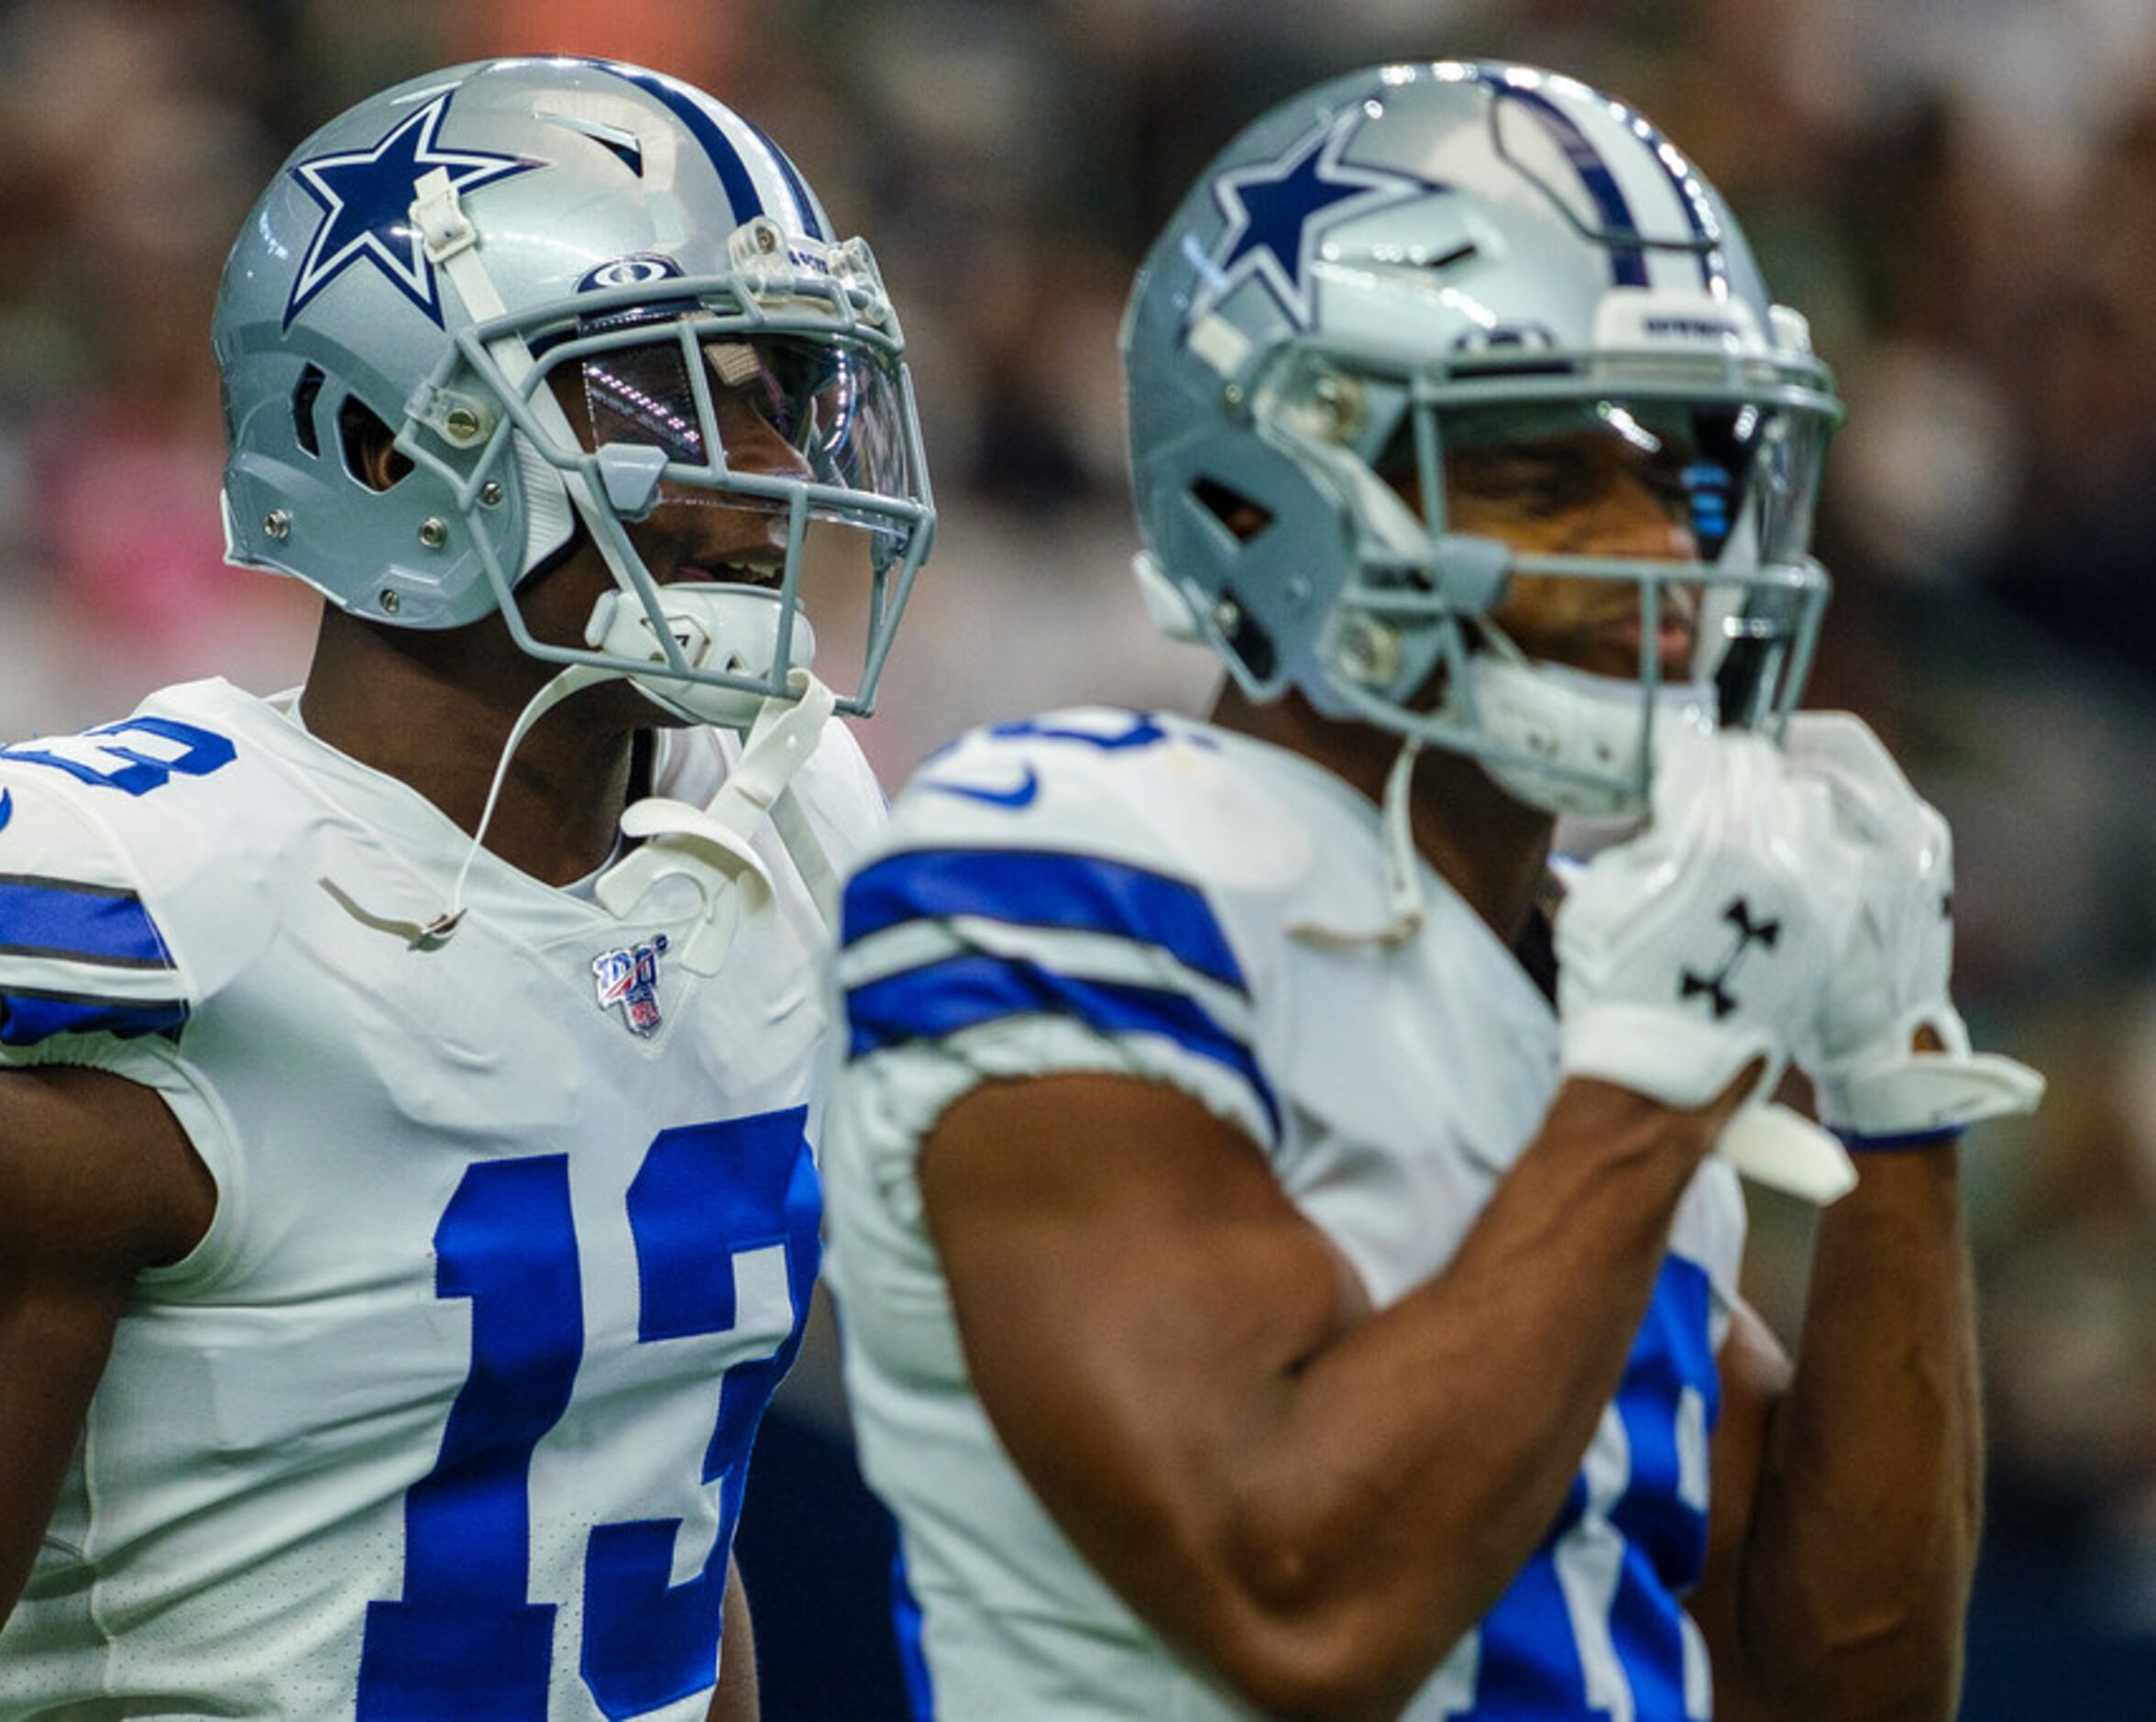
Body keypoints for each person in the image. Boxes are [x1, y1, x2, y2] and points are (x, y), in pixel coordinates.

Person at [820, 60, 2042, 1720]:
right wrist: (1650, 1083)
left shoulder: (1583, 977)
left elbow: (1845, 1691)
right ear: (1267, 494)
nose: (1664, 559)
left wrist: (1900, 1108)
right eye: (1546, 473)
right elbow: (1296, 1601)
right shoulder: (1074, 863)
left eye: (1687, 476)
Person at [0, 56, 935, 1720]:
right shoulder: (163, 935)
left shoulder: (777, 842)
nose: (761, 481)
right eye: (667, 401)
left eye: (780, 395)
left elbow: (646, 1489)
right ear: (387, 440)